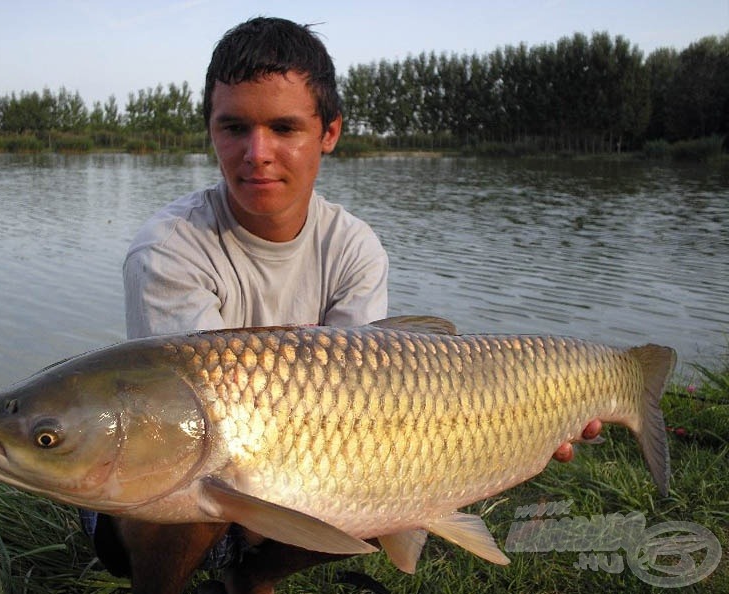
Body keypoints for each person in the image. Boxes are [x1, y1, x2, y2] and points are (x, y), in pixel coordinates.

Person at [84, 16, 601, 594]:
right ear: (210, 130)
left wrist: (511, 434)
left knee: (385, 485)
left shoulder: (353, 245)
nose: (257, 153)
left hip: (292, 461)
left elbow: (367, 396)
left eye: (284, 127)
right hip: (186, 470)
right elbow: (189, 423)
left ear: (329, 132)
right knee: (190, 476)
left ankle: (250, 581)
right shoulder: (170, 248)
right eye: (234, 127)